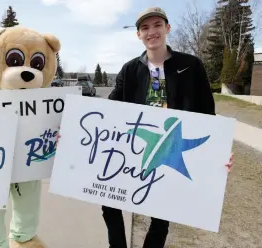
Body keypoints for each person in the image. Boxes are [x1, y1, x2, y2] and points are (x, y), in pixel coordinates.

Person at [100, 6, 234, 248]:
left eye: (157, 25)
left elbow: (207, 114)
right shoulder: (130, 70)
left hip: (171, 150)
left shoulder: (191, 66)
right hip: (134, 149)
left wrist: (218, 152)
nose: (152, 32)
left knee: (161, 218)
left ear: (168, 28)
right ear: (138, 35)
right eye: (145, 28)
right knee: (109, 204)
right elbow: (110, 112)